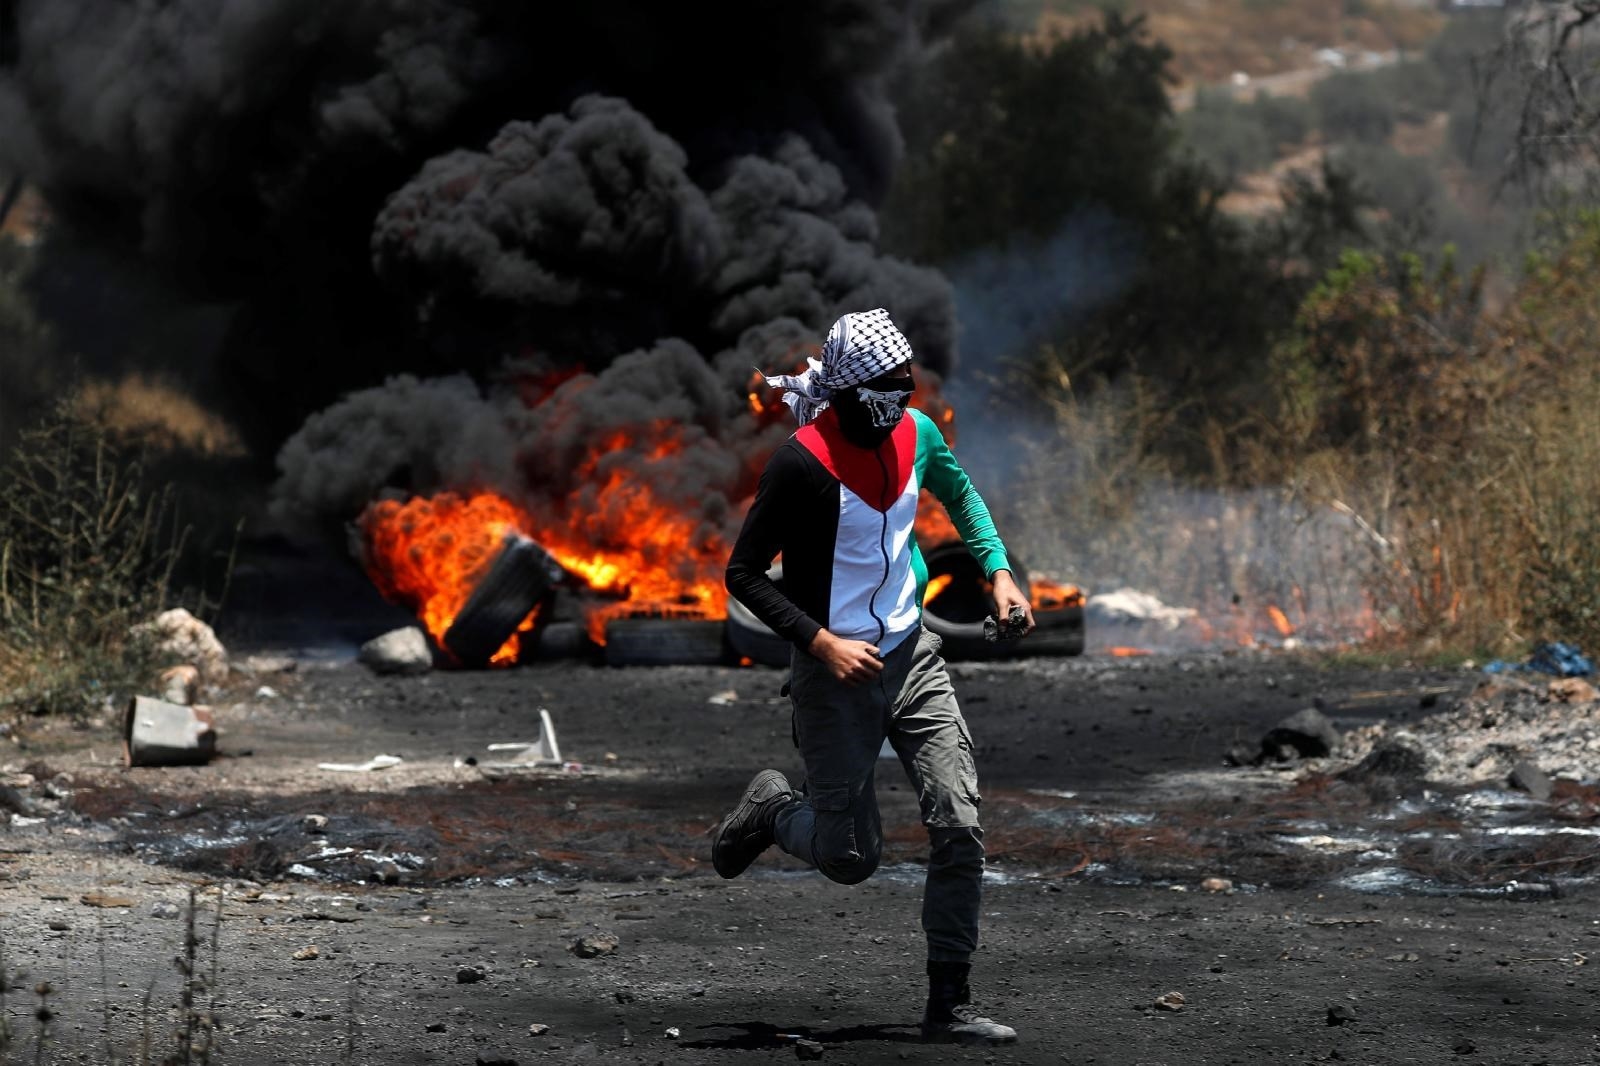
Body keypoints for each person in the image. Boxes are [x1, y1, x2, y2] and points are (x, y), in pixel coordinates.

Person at [716, 307, 1032, 1046]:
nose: (902, 399)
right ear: (851, 390)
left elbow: (962, 496)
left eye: (907, 385)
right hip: (835, 675)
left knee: (960, 823)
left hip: (913, 657)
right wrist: (820, 643)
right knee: (848, 859)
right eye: (889, 388)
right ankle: (771, 811)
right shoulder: (802, 462)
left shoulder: (917, 434)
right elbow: (743, 573)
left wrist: (998, 571)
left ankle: (948, 1004)